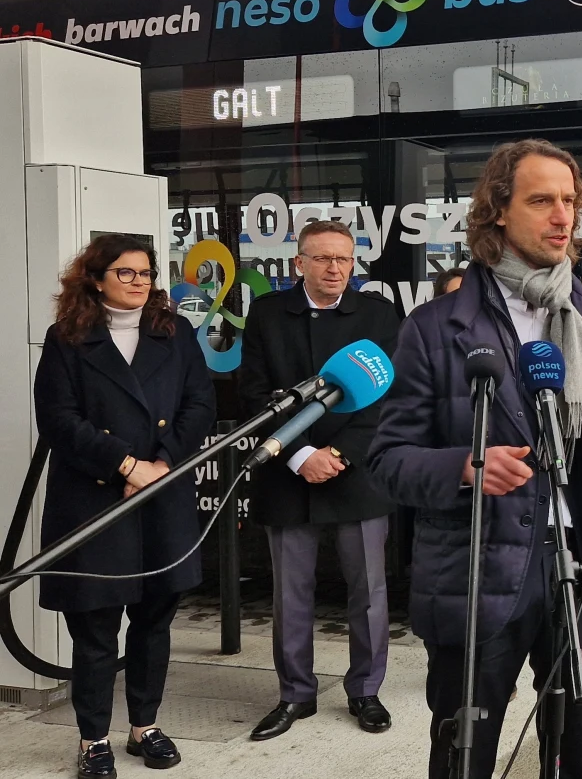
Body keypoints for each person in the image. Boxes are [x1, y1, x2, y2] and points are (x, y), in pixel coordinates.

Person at [367, 138, 582, 779]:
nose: (563, 216)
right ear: (496, 211)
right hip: (478, 573)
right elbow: (388, 459)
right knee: (463, 754)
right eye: (542, 200)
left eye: (570, 201)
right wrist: (465, 467)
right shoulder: (434, 328)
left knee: (576, 754)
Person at [33, 234, 216, 778]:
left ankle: (144, 727)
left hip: (163, 494)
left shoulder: (175, 332)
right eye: (126, 273)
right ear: (95, 279)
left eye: (146, 272)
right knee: (95, 627)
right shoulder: (67, 338)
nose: (139, 282)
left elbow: (199, 404)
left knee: (154, 619)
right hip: (94, 499)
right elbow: (59, 419)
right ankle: (93, 739)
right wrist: (125, 465)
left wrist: (160, 464)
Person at [238, 220, 402, 740]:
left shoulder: (377, 315)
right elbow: (253, 393)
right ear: (299, 263)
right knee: (291, 593)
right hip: (289, 469)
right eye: (324, 258)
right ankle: (295, 695)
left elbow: (389, 398)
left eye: (344, 259)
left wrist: (339, 452)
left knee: (368, 591)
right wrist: (299, 452)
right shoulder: (267, 314)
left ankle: (366, 691)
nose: (335, 269)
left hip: (357, 472)